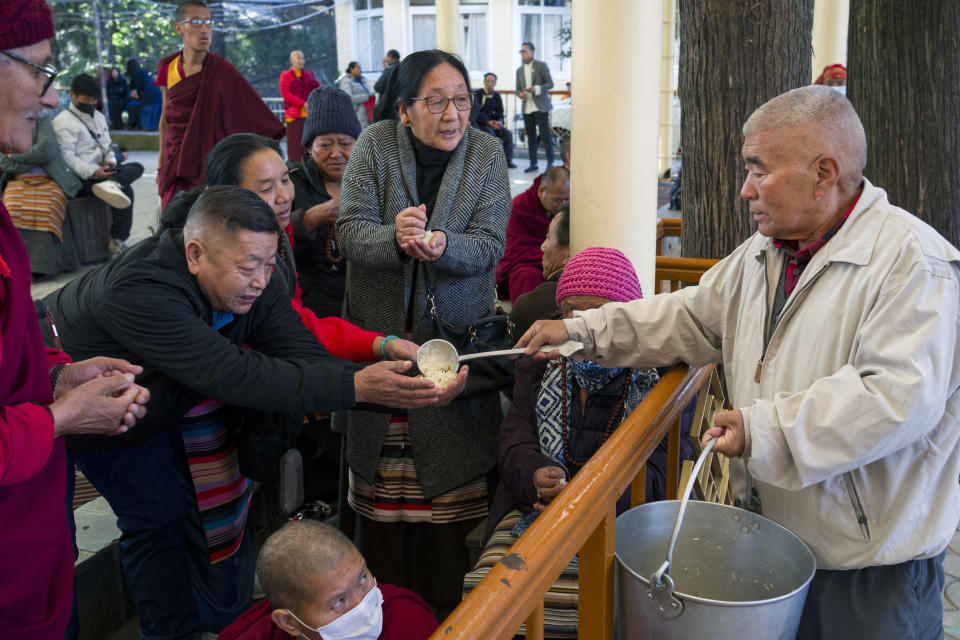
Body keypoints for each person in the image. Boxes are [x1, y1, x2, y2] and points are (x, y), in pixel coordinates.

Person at [519, 85, 960, 640]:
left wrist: (762, 427)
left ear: (824, 173)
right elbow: (688, 316)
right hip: (782, 543)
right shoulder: (765, 251)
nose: (744, 188)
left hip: (869, 571)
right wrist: (581, 331)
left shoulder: (912, 264)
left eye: (758, 170)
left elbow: (893, 399)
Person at [44, 185, 458, 639]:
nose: (261, 281)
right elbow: (231, 372)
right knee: (149, 519)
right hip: (85, 403)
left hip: (157, 400)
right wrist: (356, 383)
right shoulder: (141, 288)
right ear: (196, 253)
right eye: (247, 267)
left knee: (179, 515)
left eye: (268, 263)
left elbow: (299, 353)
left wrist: (395, 383)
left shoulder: (259, 279)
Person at [336, 49, 511, 617]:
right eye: (435, 101)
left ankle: (444, 620)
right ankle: (379, 617)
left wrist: (442, 245)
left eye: (461, 100)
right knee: (381, 517)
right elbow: (349, 231)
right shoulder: (374, 145)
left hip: (452, 343)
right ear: (405, 109)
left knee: (448, 516)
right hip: (381, 343)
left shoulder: (486, 153)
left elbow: (490, 243)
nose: (452, 114)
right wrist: (395, 237)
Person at [0, 2, 150, 637]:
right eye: (39, 69)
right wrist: (63, 418)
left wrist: (56, 377)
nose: (51, 91)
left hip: (31, 539)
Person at [465, 247, 665, 637]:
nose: (582, 323)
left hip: (618, 522)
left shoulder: (655, 375)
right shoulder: (540, 360)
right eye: (571, 310)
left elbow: (656, 476)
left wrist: (582, 500)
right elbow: (515, 437)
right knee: (484, 596)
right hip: (536, 509)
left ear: (627, 317)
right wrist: (536, 473)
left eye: (600, 313)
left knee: (599, 607)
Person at [156, 0, 284, 208]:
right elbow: (165, 119)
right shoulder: (167, 68)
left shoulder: (222, 71)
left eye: (209, 22)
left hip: (208, 162)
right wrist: (161, 165)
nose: (205, 29)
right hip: (174, 162)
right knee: (171, 219)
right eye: (196, 21)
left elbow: (249, 112)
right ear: (179, 28)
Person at [218, 520, 438, 640]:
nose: (362, 606)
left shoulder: (408, 620)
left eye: (362, 579)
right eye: (338, 602)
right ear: (289, 622)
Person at [287, 86, 359, 318]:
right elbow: (270, 242)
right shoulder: (289, 183)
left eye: (345, 143)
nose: (336, 153)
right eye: (325, 145)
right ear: (309, 148)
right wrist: (309, 218)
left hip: (364, 302)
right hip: (312, 306)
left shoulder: (373, 181)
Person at [52, 73, 144, 254]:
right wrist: (94, 173)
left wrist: (110, 159)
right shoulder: (62, 122)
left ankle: (113, 184)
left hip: (104, 170)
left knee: (138, 167)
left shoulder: (99, 117)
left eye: (94, 100)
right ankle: (118, 239)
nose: (91, 104)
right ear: (73, 95)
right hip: (83, 177)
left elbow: (106, 146)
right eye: (86, 99)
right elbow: (67, 158)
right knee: (127, 190)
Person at [495, 166, 570, 304]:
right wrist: (549, 256)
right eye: (558, 200)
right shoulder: (518, 208)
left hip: (555, 261)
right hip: (528, 265)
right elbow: (513, 251)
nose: (562, 205)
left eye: (567, 200)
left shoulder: (567, 210)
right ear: (541, 191)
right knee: (525, 276)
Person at [510, 203, 569, 338]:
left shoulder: (530, 306)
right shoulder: (619, 302)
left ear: (568, 252)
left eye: (548, 238)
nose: (542, 247)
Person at [515, 41, 554, 173]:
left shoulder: (541, 66)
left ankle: (550, 163)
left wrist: (536, 88)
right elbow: (517, 89)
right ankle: (533, 163)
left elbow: (550, 84)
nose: (522, 54)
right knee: (530, 137)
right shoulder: (519, 70)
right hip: (527, 107)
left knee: (545, 135)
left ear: (532, 52)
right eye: (521, 51)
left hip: (540, 106)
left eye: (525, 51)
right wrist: (520, 94)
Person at [278, 50, 320, 164]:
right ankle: (295, 169)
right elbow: (286, 94)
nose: (301, 61)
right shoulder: (285, 75)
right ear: (291, 60)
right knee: (295, 146)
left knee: (309, 144)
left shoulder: (308, 74)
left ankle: (311, 168)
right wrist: (303, 104)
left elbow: (317, 88)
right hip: (294, 114)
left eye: (302, 58)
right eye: (298, 58)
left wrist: (311, 102)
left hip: (309, 114)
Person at [473, 72, 515, 168]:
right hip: (483, 124)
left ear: (495, 83)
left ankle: (508, 161)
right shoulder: (478, 94)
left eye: (492, 81)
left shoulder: (497, 96)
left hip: (495, 124)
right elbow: (476, 113)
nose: (489, 83)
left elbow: (500, 112)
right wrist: (488, 121)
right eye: (487, 81)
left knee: (508, 134)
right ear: (484, 82)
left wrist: (499, 122)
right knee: (490, 133)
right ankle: (492, 163)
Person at [124, 57, 162, 130]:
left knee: (146, 110)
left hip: (149, 95)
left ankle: (148, 127)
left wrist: (136, 95)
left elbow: (138, 88)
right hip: (156, 94)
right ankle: (152, 126)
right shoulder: (142, 73)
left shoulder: (137, 74)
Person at [337, 61, 373, 129]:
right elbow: (348, 97)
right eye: (358, 68)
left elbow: (368, 93)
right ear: (351, 69)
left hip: (367, 115)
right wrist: (367, 97)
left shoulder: (363, 80)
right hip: (356, 116)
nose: (360, 70)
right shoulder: (346, 81)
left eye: (360, 68)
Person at [373, 49, 400, 123]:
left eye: (387, 57)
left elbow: (377, 87)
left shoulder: (389, 70)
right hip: (400, 106)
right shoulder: (403, 68)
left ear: (390, 57)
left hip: (388, 108)